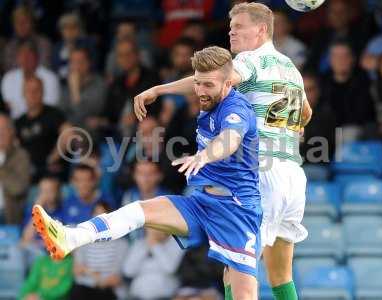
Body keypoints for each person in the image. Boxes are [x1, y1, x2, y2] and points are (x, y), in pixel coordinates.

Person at [33, 46, 261, 299]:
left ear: (229, 82)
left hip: (237, 210)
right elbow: (198, 80)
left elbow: (229, 140)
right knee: (139, 210)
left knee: (243, 294)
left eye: (208, 85)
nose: (199, 91)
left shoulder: (236, 109)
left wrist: (205, 155)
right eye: (198, 83)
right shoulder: (209, 90)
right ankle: (71, 237)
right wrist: (159, 89)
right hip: (204, 202)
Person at [133, 3, 313, 300]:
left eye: (239, 26)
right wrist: (291, 128)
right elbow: (306, 112)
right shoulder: (291, 68)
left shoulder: (251, 60)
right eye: (231, 26)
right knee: (281, 273)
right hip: (293, 176)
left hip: (261, 174)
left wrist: (159, 90)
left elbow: (212, 79)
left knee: (236, 268)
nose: (232, 31)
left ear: (262, 30)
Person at [70, 202, 128, 300]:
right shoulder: (84, 242)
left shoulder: (122, 244)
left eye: (103, 216)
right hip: (86, 287)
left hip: (110, 289)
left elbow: (117, 278)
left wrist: (92, 274)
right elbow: (77, 271)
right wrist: (95, 278)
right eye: (96, 216)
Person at [0, 113, 31, 224]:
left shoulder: (21, 156)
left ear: (12, 132)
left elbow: (18, 189)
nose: (1, 134)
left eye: (4, 129)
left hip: (7, 215)